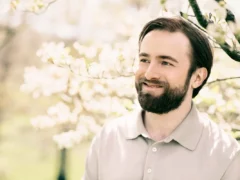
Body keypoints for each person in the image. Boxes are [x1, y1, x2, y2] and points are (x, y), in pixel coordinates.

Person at [83, 17, 240, 180]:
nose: (150, 73)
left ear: (197, 77)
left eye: (165, 63)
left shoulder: (226, 156)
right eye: (144, 60)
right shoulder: (108, 139)